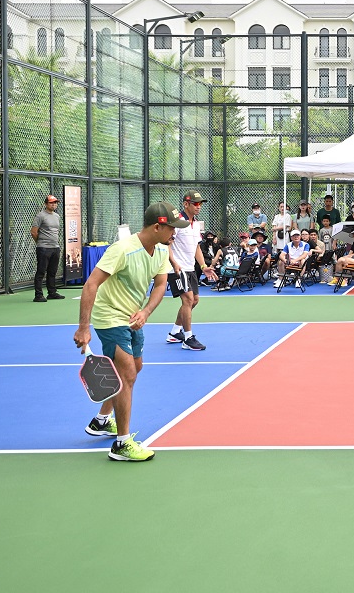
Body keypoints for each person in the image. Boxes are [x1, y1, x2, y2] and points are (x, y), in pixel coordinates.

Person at [74, 202, 186, 462]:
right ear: (157, 226)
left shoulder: (160, 251)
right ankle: (121, 445)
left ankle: (102, 420)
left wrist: (145, 312)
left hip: (133, 317)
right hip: (109, 317)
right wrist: (83, 327)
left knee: (135, 369)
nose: (175, 233)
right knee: (127, 375)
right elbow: (91, 284)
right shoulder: (123, 249)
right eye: (171, 228)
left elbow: (160, 286)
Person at [166, 190, 217, 351]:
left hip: (190, 268)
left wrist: (203, 266)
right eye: (195, 203)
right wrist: (173, 263)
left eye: (200, 204)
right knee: (187, 300)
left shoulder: (195, 224)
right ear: (185, 204)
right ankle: (188, 338)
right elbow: (167, 243)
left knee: (194, 300)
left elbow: (197, 248)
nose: (199, 206)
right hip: (177, 268)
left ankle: (175, 332)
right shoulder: (178, 222)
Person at [31, 193, 66, 302]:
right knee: (41, 271)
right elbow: (34, 232)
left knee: (52, 271)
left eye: (55, 203)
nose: (54, 205)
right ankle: (38, 295)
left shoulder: (57, 216)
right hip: (44, 248)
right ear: (46, 204)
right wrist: (40, 242)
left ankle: (52, 292)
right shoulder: (40, 216)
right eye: (51, 203)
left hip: (55, 247)